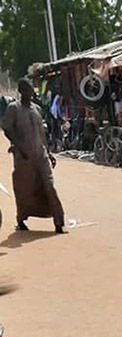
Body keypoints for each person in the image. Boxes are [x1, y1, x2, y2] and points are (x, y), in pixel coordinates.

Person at [1, 78, 66, 233]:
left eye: (32, 89)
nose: (31, 92)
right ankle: (21, 219)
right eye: (28, 89)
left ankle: (59, 222)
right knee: (24, 189)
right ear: (21, 90)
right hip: (24, 156)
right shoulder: (13, 108)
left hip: (40, 154)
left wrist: (49, 153)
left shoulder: (36, 109)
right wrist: (18, 147)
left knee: (49, 186)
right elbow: (8, 129)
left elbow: (41, 134)